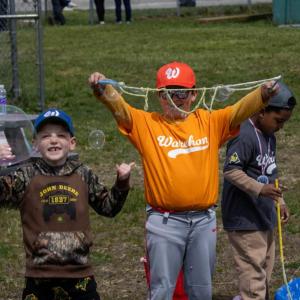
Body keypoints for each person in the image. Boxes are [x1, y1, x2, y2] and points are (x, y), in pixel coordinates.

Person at [89, 61, 280, 300]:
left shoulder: (209, 122)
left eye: (179, 92)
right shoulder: (146, 123)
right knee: (161, 290)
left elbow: (238, 110)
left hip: (203, 222)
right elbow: (122, 109)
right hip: (163, 221)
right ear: (158, 96)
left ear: (193, 94)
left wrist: (262, 94)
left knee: (201, 291)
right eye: (165, 93)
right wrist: (102, 89)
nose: (173, 99)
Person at [0, 108, 134, 300]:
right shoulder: (26, 175)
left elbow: (108, 207)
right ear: (35, 144)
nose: (53, 140)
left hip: (80, 276)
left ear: (72, 143)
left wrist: (122, 182)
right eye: (45, 136)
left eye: (61, 135)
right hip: (39, 277)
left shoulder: (83, 174)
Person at [221, 82, 296, 300]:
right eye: (278, 121)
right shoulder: (244, 134)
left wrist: (279, 201)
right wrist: (259, 189)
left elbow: (271, 172)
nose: (280, 127)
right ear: (261, 111)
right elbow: (231, 171)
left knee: (265, 269)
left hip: (264, 216)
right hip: (245, 219)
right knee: (253, 276)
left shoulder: (269, 136)